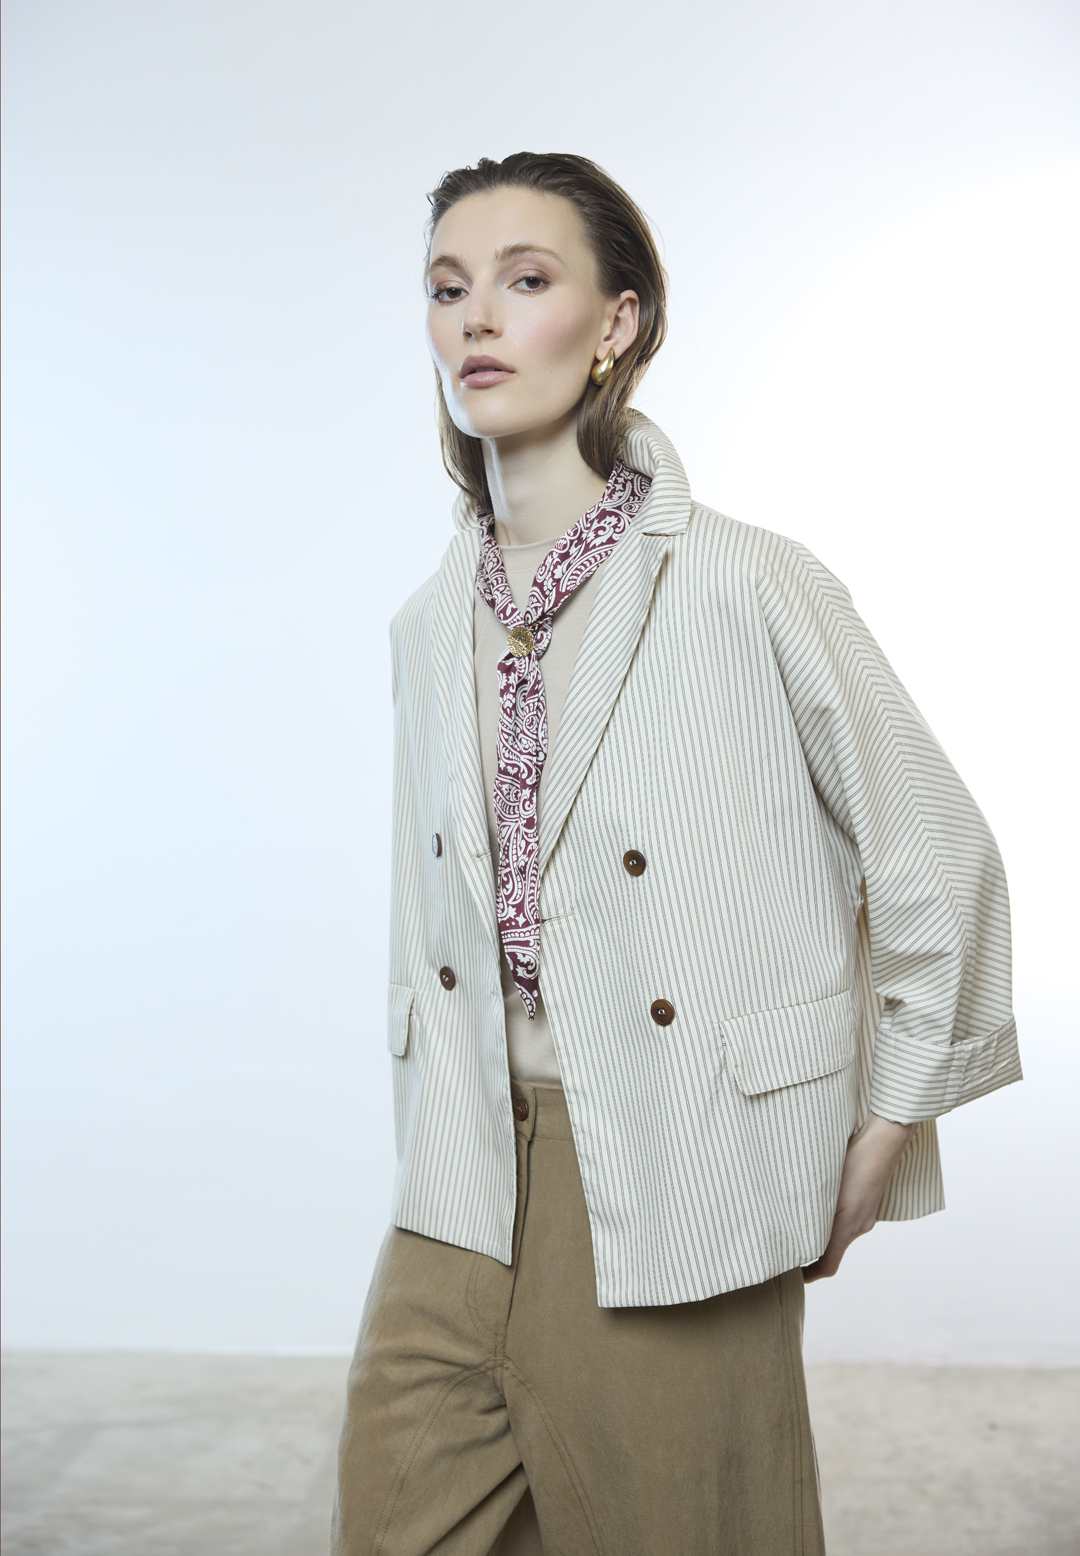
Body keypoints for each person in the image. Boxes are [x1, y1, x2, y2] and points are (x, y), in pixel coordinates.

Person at [333, 152, 1019, 1556]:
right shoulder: (424, 624)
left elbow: (936, 851)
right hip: (464, 1169)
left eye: (526, 281)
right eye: (448, 289)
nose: (476, 319)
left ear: (616, 324)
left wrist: (887, 1123)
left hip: (676, 1157)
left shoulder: (746, 579)